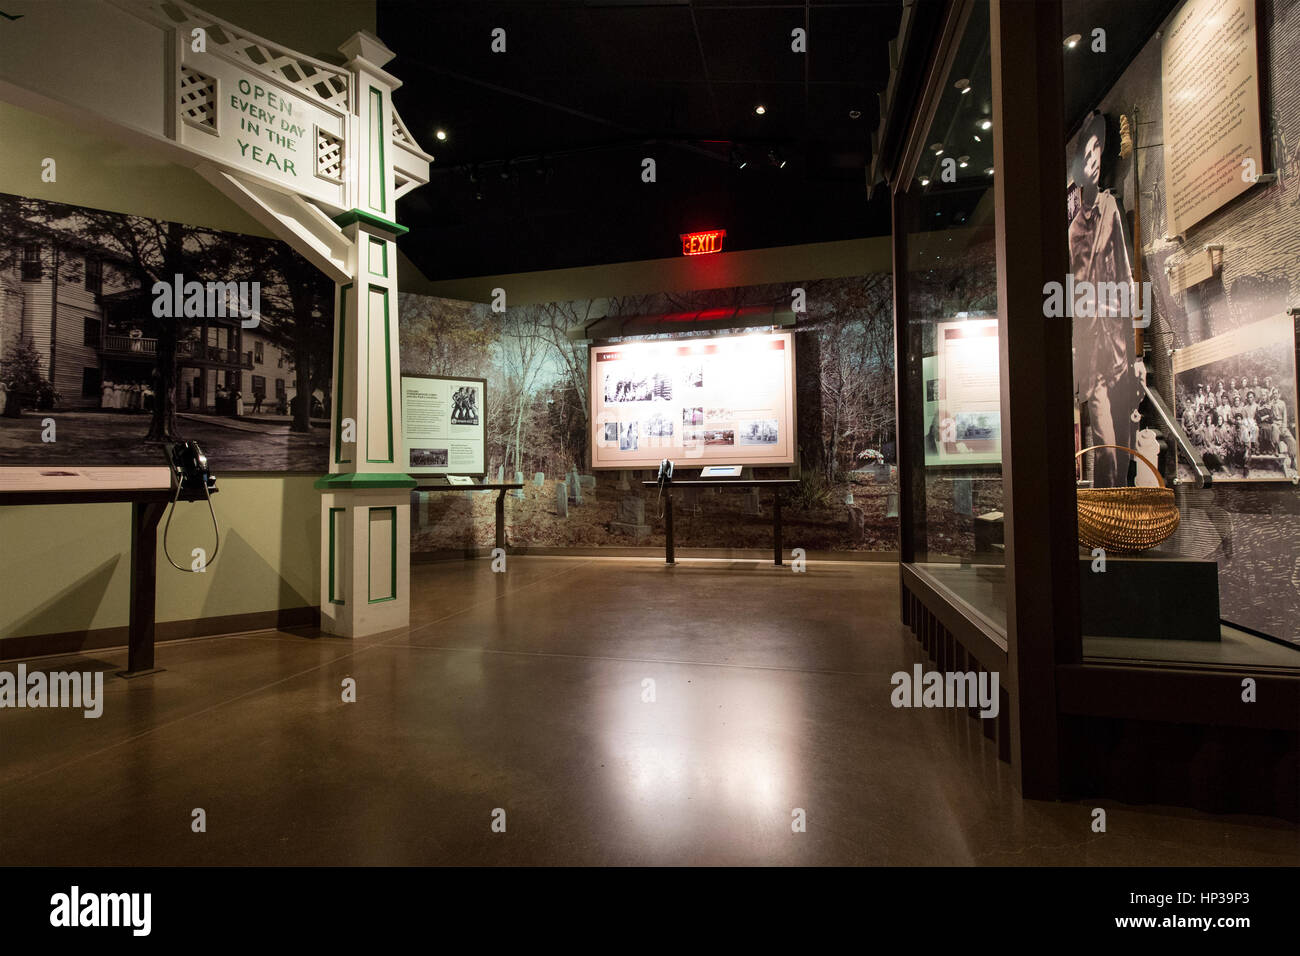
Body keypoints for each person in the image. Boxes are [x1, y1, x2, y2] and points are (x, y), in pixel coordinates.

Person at [1069, 110, 1138, 487]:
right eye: (1088, 153)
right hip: (1090, 343)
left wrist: (1134, 342)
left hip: (1116, 337)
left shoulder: (1111, 207)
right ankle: (1108, 500)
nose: (1093, 159)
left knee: (1123, 436)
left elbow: (1125, 276)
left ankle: (1118, 502)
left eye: (1098, 150)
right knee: (1104, 440)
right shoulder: (1075, 228)